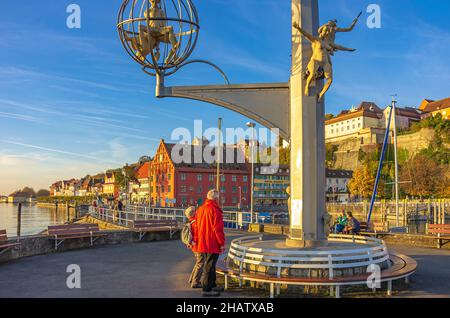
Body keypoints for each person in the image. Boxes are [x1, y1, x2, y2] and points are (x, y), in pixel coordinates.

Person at [195, 190, 226, 297]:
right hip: (212, 242)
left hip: (203, 241)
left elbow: (197, 227)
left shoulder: (200, 209)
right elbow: (218, 229)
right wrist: (221, 243)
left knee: (210, 264)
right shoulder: (215, 210)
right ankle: (206, 288)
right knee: (209, 265)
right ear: (216, 199)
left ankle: (212, 284)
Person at [184, 206, 204, 289]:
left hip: (194, 246)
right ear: (193, 213)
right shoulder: (196, 223)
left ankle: (192, 279)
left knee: (198, 262)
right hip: (198, 246)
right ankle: (195, 282)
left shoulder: (190, 222)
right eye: (195, 211)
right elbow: (198, 235)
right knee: (200, 263)